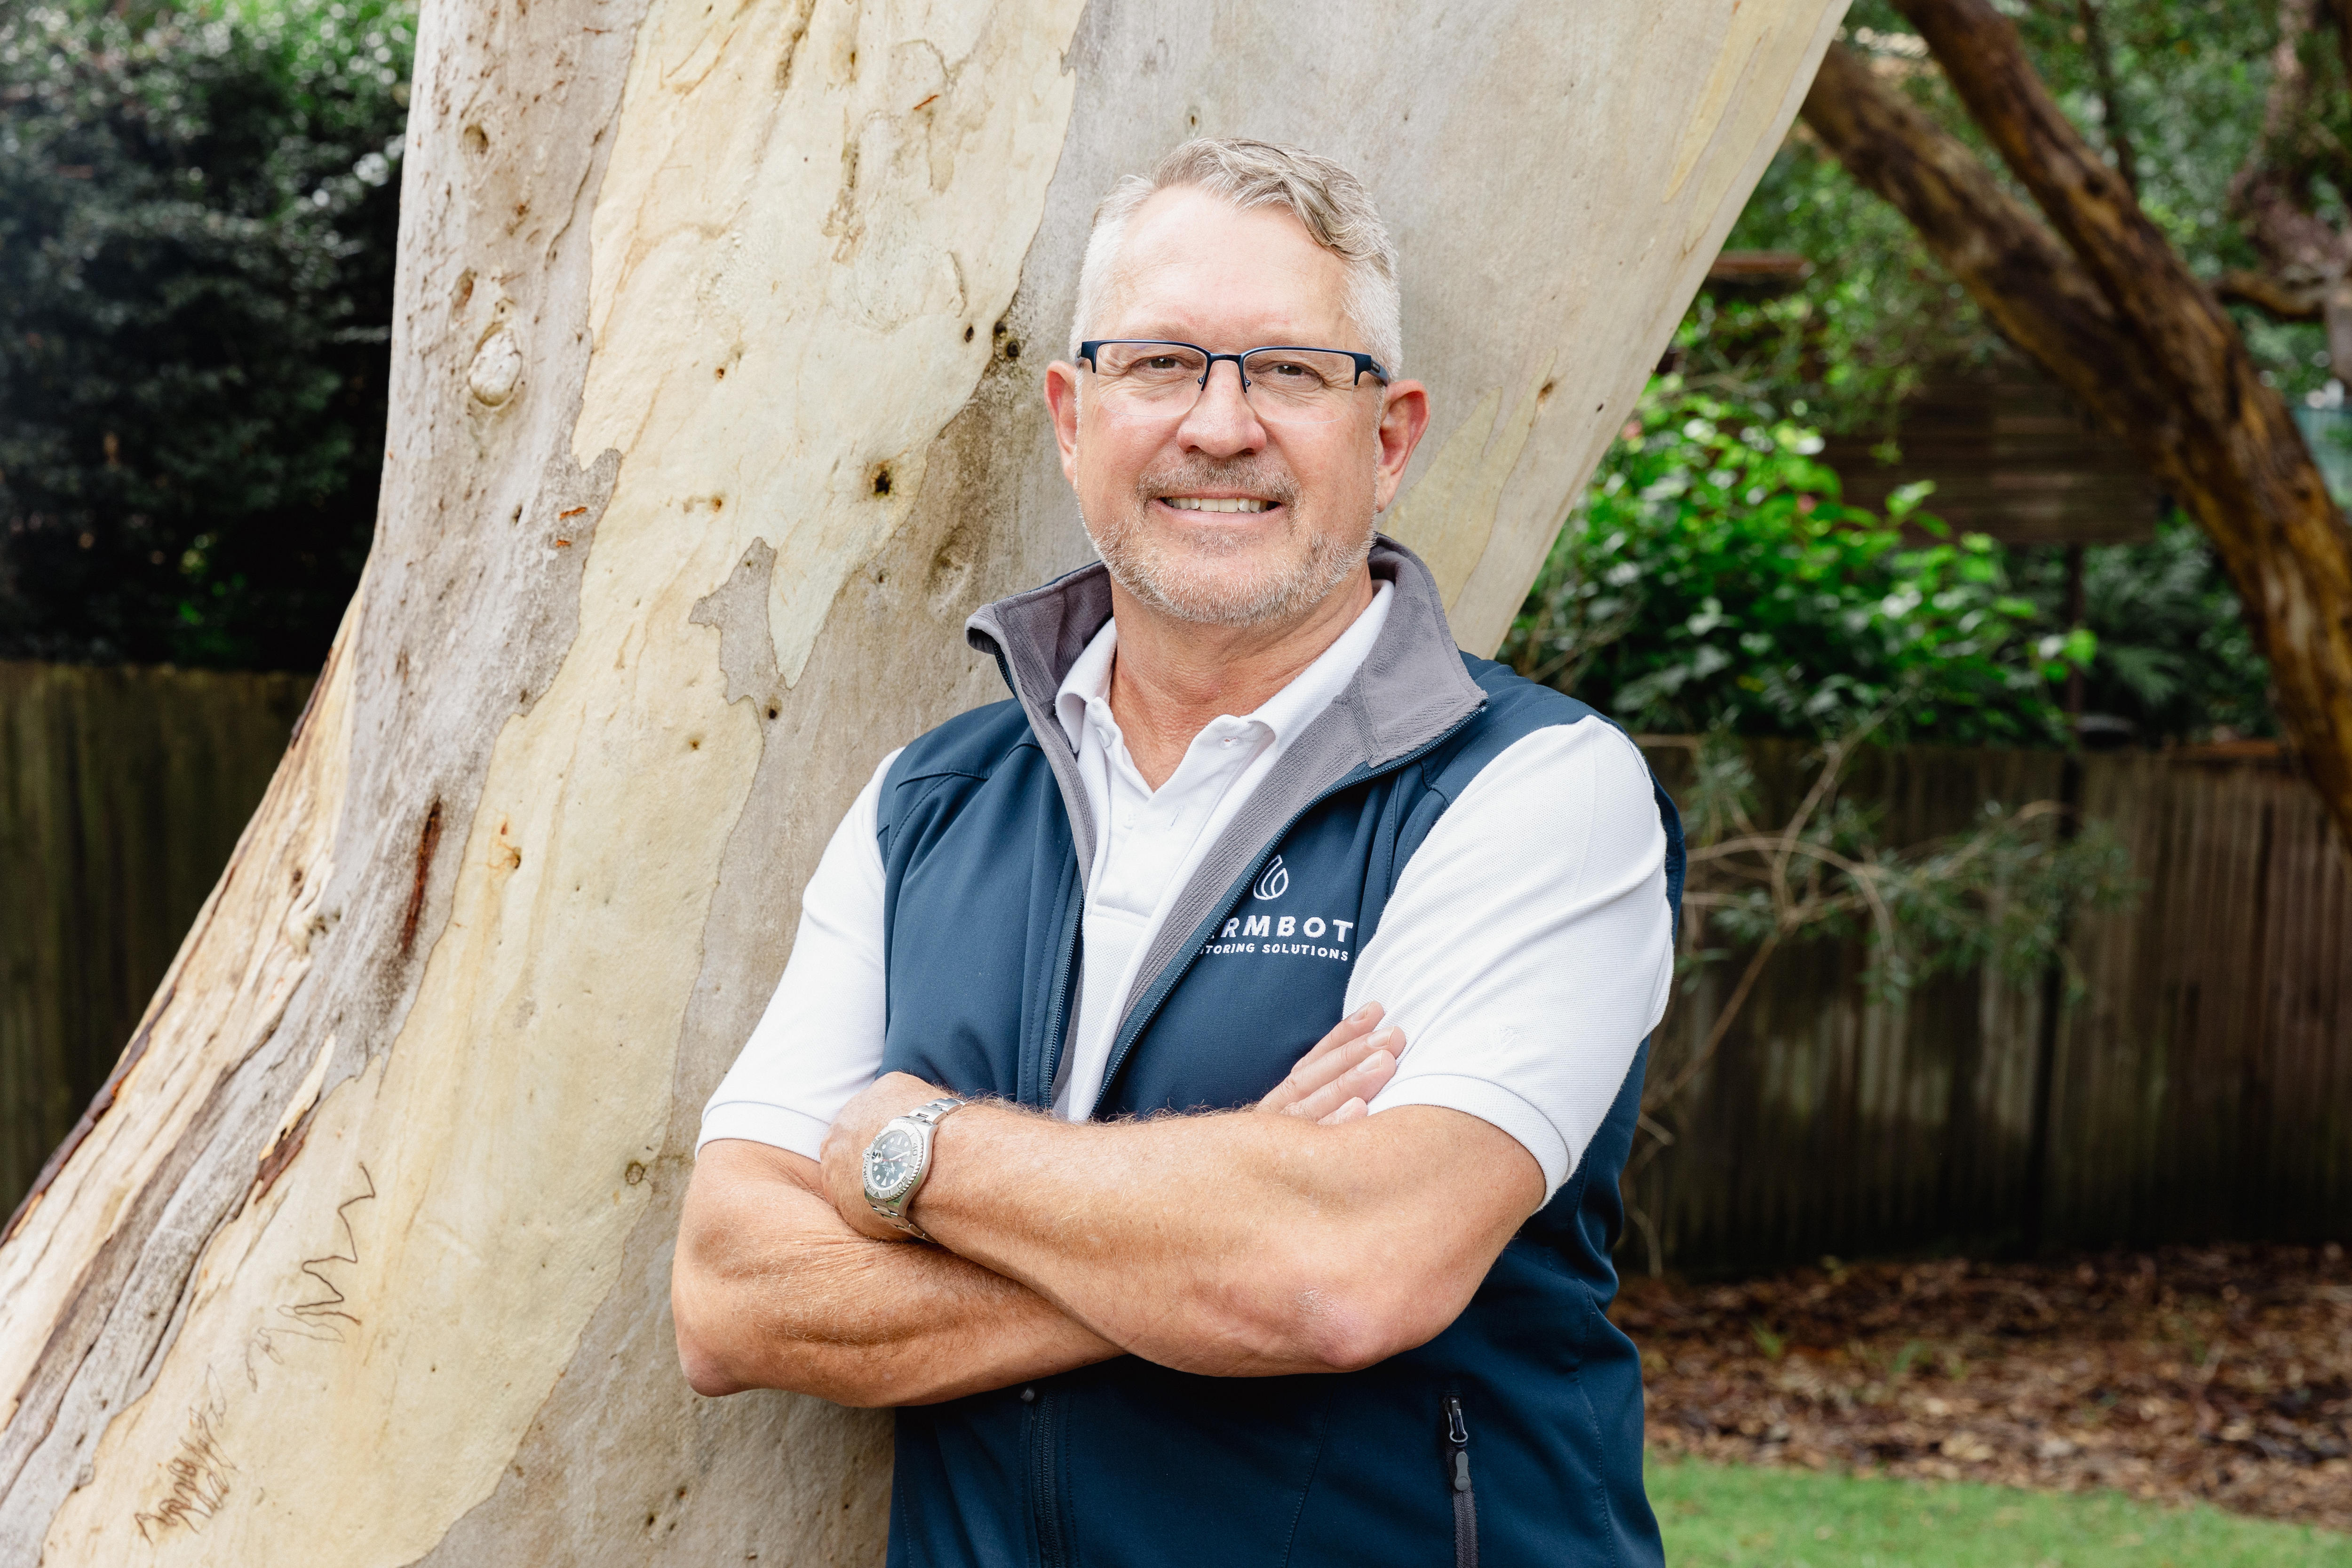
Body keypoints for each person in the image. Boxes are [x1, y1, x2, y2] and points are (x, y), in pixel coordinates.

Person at [672, 137, 1684, 1568]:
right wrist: (1227, 1228)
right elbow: (731, 1297)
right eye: (1159, 365)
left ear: (1387, 437)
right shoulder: (931, 804)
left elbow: (1340, 1281)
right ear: (1072, 416)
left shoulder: (1534, 793)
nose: (1220, 425)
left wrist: (914, 1153)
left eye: (1287, 370)